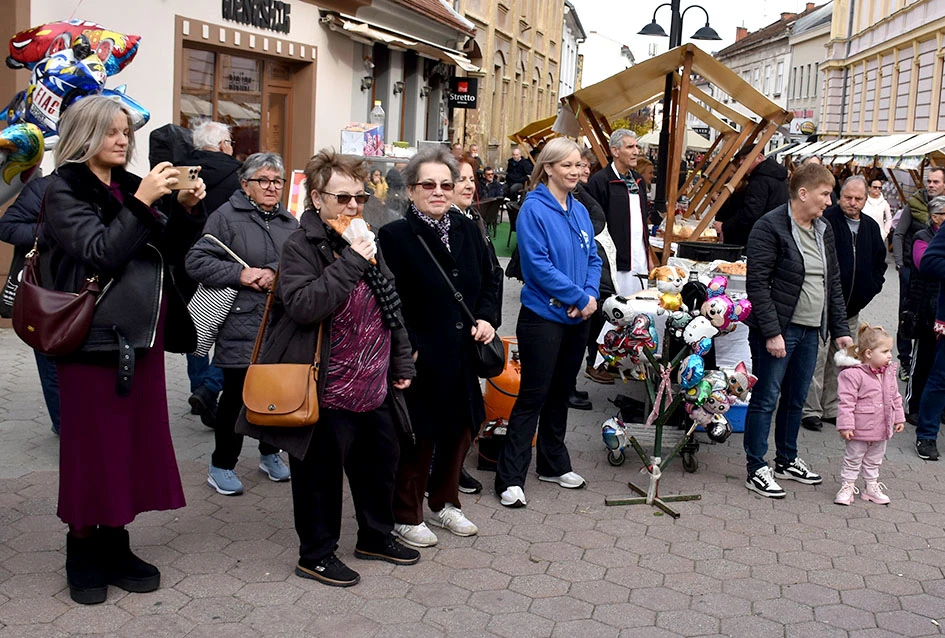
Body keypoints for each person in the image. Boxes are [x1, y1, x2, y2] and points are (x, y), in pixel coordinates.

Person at [42, 96, 206, 604]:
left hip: (140, 333)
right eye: (111, 131)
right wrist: (144, 203)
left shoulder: (133, 186)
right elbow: (100, 252)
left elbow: (170, 252)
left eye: (125, 132)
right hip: (89, 339)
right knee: (92, 447)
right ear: (84, 133)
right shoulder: (62, 188)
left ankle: (116, 540)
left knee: (131, 445)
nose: (122, 139)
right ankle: (82, 545)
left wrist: (183, 210)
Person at [235, 149, 419, 587]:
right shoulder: (301, 245)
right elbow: (303, 306)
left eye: (358, 197)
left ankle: (375, 536)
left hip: (372, 381)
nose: (353, 206)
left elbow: (390, 307)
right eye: (342, 198)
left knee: (381, 461)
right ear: (316, 199)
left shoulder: (364, 236)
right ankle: (316, 554)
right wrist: (354, 260)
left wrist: (402, 358)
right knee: (319, 475)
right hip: (324, 384)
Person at [379, 146, 501, 546]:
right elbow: (387, 296)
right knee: (420, 435)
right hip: (421, 352)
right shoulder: (394, 236)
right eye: (428, 184)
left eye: (446, 184)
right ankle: (406, 513)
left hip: (464, 350)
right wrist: (407, 346)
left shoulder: (468, 228)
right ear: (411, 190)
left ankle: (445, 502)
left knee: (463, 427)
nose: (438, 191)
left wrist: (486, 319)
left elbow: (489, 281)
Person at [494, 138, 602, 508]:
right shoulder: (533, 209)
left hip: (578, 316)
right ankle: (509, 478)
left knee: (561, 392)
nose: (575, 171)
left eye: (579, 165)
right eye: (567, 165)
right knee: (533, 396)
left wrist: (588, 297)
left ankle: (553, 464)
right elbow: (538, 267)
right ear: (549, 168)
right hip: (543, 318)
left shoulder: (579, 209)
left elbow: (594, 258)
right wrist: (578, 298)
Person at [186, 153, 298, 496]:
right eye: (263, 180)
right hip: (240, 324)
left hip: (280, 324)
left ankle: (268, 453)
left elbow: (299, 264)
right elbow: (196, 261)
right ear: (245, 184)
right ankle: (222, 464)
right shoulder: (225, 217)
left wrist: (275, 273)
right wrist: (241, 274)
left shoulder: (289, 222)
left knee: (275, 395)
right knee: (236, 398)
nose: (271, 187)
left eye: (277, 181)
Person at [743, 162, 853, 498]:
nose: (829, 202)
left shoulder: (823, 229)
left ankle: (787, 459)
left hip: (810, 330)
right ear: (803, 193)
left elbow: (830, 282)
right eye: (824, 194)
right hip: (780, 330)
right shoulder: (769, 227)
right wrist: (772, 332)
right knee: (766, 399)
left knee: (796, 399)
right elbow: (757, 285)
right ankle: (756, 467)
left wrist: (841, 329)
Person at [802, 176, 887, 432]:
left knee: (843, 360)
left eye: (858, 199)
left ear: (865, 199)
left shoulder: (871, 228)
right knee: (816, 358)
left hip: (852, 308)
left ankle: (832, 407)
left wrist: (869, 289)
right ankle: (810, 410)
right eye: (848, 197)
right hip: (823, 305)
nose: (852, 203)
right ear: (840, 197)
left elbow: (879, 264)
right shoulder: (826, 222)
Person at [181, 120, 243, 428]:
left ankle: (200, 390)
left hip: (187, 261)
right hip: (229, 263)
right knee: (232, 329)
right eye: (230, 141)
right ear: (221, 145)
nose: (232, 146)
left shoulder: (181, 171)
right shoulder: (238, 175)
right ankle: (210, 387)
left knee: (197, 327)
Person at [450, 156, 503, 494]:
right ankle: (442, 471)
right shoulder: (451, 226)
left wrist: (489, 318)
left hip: (479, 324)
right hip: (460, 329)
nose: (469, 185)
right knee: (459, 407)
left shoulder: (473, 220)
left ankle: (452, 468)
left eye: (472, 179)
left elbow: (491, 276)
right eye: (461, 179)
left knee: (469, 407)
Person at [0, 175, 61, 434]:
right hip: (46, 294)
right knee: (51, 366)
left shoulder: (120, 186)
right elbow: (7, 227)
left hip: (99, 295)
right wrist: (54, 231)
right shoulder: (43, 187)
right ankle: (64, 425)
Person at [833, 324, 905, 505]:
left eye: (890, 351)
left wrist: (898, 417)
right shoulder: (853, 375)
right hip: (860, 427)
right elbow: (846, 402)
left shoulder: (889, 372)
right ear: (868, 354)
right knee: (853, 458)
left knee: (874, 460)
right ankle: (847, 486)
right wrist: (846, 425)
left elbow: (895, 396)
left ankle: (871, 487)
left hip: (882, 427)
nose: (890, 355)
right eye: (885, 351)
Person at [585, 129, 650, 298]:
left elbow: (643, 222)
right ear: (615, 151)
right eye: (630, 147)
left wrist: (648, 254)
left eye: (636, 146)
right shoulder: (600, 181)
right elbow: (595, 225)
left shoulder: (639, 180)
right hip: (615, 261)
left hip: (640, 257)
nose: (636, 151)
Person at [893, 167, 945, 381]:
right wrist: (900, 265)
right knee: (908, 316)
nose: (931, 185)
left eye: (936, 182)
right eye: (929, 181)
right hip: (913, 271)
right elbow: (899, 233)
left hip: (936, 280)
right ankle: (905, 359)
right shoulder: (914, 203)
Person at [574, 147, 616, 394]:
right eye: (580, 165)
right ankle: (574, 380)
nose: (585, 169)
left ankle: (571, 383)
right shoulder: (574, 197)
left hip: (591, 272)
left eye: (587, 165)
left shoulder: (582, 193)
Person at [903, 196, 945, 424]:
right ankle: (915, 410)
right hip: (926, 306)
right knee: (925, 364)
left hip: (936, 303)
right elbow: (924, 263)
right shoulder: (923, 236)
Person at [715, 145, 789, 249]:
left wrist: (725, 226)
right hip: (770, 237)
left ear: (759, 157)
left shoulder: (760, 179)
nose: (741, 163)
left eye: (745, 158)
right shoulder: (774, 177)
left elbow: (751, 213)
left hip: (756, 240)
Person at [863, 177, 893, 242]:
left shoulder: (884, 203)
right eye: (875, 187)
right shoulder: (863, 201)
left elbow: (889, 219)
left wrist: (885, 232)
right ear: (869, 188)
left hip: (879, 236)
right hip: (863, 235)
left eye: (879, 188)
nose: (877, 189)